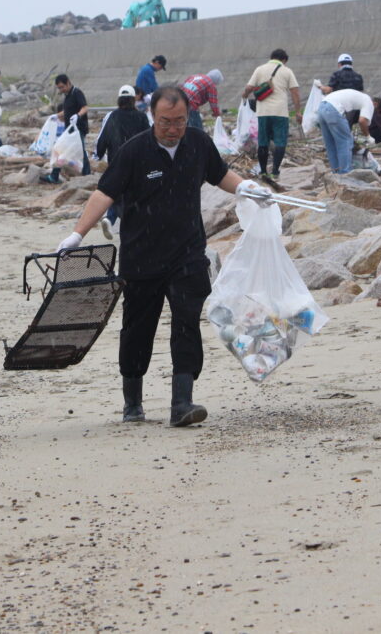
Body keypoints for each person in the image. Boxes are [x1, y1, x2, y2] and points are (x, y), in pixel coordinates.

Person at [52, 86, 271, 427]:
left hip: (187, 253)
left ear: (187, 117)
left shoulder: (197, 143)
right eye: (166, 122)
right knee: (138, 330)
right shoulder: (134, 151)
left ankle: (182, 403)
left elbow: (219, 174)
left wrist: (246, 188)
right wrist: (77, 233)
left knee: (186, 322)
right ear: (153, 117)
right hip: (142, 257)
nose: (173, 128)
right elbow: (104, 194)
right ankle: (132, 404)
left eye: (180, 121)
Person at [95, 85, 151, 239]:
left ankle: (110, 218)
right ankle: (132, 226)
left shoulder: (113, 116)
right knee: (134, 195)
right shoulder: (141, 117)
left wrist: (98, 154)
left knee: (115, 193)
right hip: (137, 163)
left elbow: (103, 138)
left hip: (116, 162)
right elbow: (148, 139)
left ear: (119, 100)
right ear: (133, 99)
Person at [243, 49, 301, 182]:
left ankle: (263, 172)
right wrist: (298, 111)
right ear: (284, 60)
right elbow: (295, 92)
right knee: (280, 142)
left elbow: (249, 88)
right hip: (280, 112)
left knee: (263, 142)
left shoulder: (260, 69)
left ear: (271, 57)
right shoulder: (287, 71)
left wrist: (245, 96)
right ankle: (275, 171)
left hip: (263, 112)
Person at [317, 88, 374, 174]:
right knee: (345, 142)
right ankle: (345, 173)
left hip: (322, 107)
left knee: (331, 144)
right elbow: (362, 121)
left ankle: (335, 172)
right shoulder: (369, 102)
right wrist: (368, 136)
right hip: (333, 108)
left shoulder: (358, 96)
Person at [54, 74, 90, 177]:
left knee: (81, 152)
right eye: (59, 88)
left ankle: (87, 174)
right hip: (69, 129)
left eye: (62, 87)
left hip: (79, 128)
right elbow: (67, 110)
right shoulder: (67, 96)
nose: (61, 90)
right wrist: (56, 116)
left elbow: (85, 107)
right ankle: (55, 175)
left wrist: (78, 116)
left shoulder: (77, 93)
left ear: (68, 83)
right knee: (62, 150)